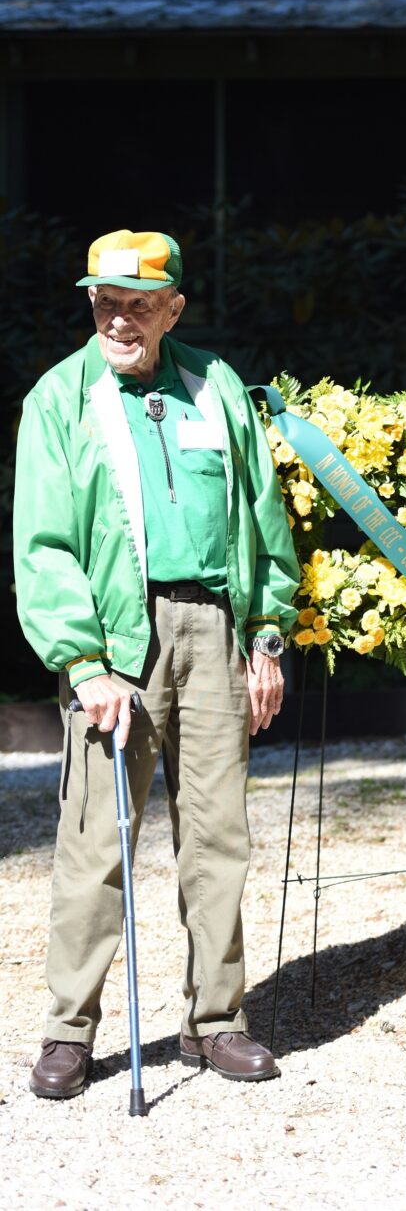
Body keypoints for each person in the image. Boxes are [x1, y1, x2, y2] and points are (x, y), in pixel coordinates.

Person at [15, 229, 299, 1099]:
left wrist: (266, 635)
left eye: (138, 305)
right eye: (105, 303)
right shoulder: (59, 400)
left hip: (213, 632)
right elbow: (44, 546)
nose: (119, 319)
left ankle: (215, 1021)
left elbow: (263, 518)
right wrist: (83, 661)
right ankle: (69, 1030)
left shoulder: (215, 387)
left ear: (174, 308)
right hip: (116, 645)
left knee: (218, 839)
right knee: (96, 841)